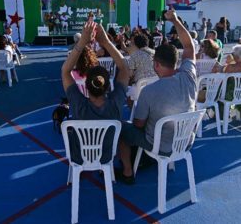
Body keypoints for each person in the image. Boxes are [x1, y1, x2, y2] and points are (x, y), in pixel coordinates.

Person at [118, 10, 197, 184]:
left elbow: (138, 125)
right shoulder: (189, 76)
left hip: (159, 145)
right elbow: (190, 46)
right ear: (176, 61)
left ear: (156, 64)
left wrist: (139, 110)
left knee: (122, 129)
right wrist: (175, 20)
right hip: (185, 143)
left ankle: (127, 172)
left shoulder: (150, 91)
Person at [61, 21, 129, 165]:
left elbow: (65, 71)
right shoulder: (115, 102)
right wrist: (106, 42)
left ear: (85, 85)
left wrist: (82, 42)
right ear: (107, 86)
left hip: (80, 157)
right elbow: (124, 69)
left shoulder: (78, 104)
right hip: (106, 156)